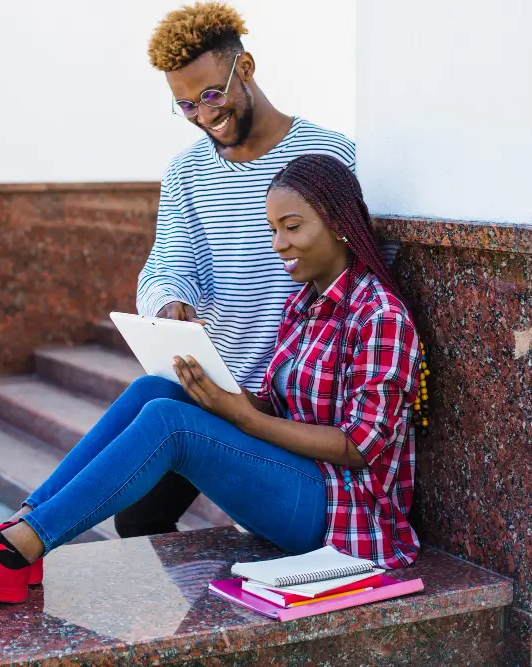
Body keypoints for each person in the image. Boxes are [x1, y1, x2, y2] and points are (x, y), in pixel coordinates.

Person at [0, 154, 423, 603]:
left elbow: (359, 446)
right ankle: (15, 530)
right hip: (299, 479)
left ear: (338, 223)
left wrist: (235, 414)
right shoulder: (303, 304)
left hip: (346, 514)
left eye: (292, 227)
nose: (279, 243)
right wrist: (220, 394)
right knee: (157, 390)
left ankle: (13, 553)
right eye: (273, 229)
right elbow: (285, 408)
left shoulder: (379, 315)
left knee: (172, 423)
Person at [118, 1, 358, 538]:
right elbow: (165, 266)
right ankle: (20, 533)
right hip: (216, 387)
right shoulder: (186, 173)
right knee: (138, 516)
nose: (204, 115)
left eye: (210, 94)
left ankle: (18, 539)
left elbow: (364, 269)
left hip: (289, 405)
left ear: (244, 69)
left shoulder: (330, 154)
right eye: (185, 105)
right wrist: (168, 305)